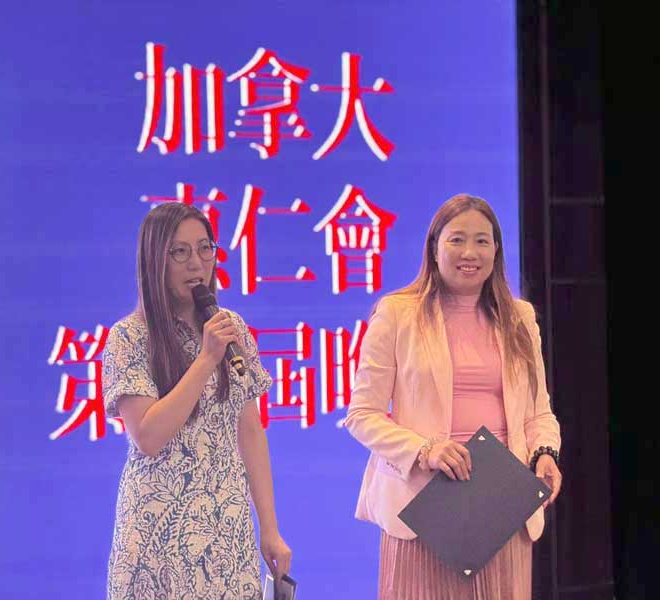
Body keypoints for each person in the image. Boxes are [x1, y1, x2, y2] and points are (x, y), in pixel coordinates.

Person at [345, 194, 562, 599]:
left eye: (482, 241)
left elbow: (538, 413)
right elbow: (362, 414)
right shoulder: (397, 314)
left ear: (496, 250)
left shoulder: (520, 318)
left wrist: (545, 453)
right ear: (434, 248)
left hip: (503, 503)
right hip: (423, 507)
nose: (470, 253)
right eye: (457, 240)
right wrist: (425, 449)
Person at [102, 202, 291, 599]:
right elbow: (148, 436)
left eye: (205, 248)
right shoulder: (129, 337)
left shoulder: (231, 328)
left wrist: (270, 528)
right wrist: (206, 360)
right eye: (180, 252)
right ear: (155, 260)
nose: (196, 263)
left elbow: (250, 431)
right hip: (158, 536)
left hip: (227, 530)